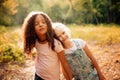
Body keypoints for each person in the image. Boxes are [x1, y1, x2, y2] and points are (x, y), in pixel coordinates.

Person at [22, 11, 72, 80]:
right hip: (38, 76)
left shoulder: (55, 43)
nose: (40, 25)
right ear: (32, 29)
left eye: (43, 22)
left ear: (48, 24)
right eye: (36, 24)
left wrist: (70, 78)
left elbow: (64, 63)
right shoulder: (36, 42)